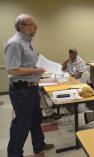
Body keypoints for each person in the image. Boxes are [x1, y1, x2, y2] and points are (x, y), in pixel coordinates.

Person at [4, 14, 54, 157]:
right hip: (22, 90)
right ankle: (14, 154)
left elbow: (30, 63)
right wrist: (36, 70)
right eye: (32, 24)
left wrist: (43, 67)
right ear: (22, 26)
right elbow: (12, 69)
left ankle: (39, 145)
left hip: (32, 87)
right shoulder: (15, 43)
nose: (36, 27)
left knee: (36, 119)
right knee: (21, 124)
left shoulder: (27, 42)